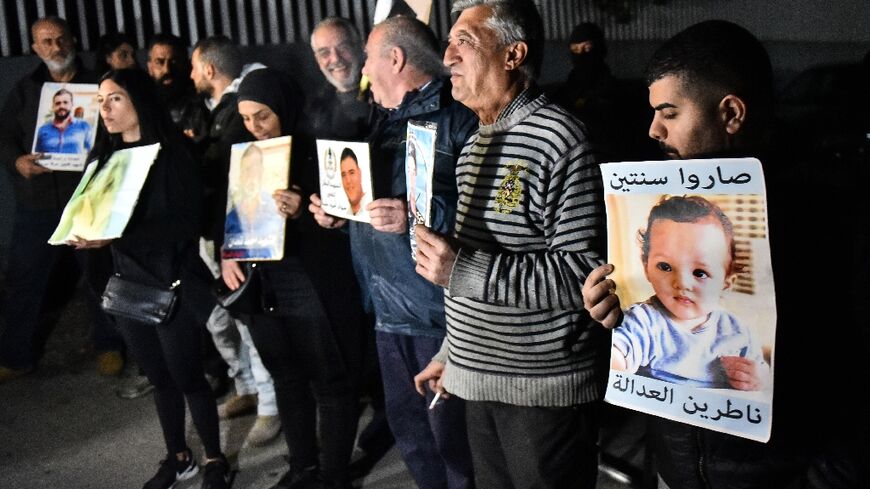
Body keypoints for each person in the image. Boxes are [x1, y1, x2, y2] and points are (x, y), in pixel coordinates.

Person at [581, 19, 864, 488]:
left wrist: (827, 479)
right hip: (675, 470)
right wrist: (612, 308)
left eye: (669, 113)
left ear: (731, 113)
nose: (653, 130)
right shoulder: (653, 208)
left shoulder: (830, 211)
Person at [412, 2, 607, 488]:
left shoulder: (560, 137)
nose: (448, 56)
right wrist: (452, 353)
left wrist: (461, 270)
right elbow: (473, 263)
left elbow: (583, 274)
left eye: (465, 42)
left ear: (513, 54)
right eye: (449, 43)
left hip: (542, 393)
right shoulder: (476, 144)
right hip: (478, 381)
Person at [310, 15, 478, 489]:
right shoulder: (379, 121)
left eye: (366, 56)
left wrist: (419, 218)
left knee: (456, 448)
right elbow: (378, 210)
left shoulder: (458, 119)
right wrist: (342, 214)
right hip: (387, 312)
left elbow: (486, 215)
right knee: (414, 442)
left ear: (395, 59)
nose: (361, 67)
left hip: (436, 319)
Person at [70, 68, 229, 489]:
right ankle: (179, 457)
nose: (105, 108)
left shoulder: (171, 155)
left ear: (138, 101)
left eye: (115, 99)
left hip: (171, 282)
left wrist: (115, 234)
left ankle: (215, 458)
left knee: (187, 376)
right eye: (101, 101)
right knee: (159, 380)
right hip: (126, 285)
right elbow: (88, 212)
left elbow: (185, 224)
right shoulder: (103, 158)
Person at [224, 67, 363, 489]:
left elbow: (345, 218)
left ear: (283, 106)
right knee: (287, 378)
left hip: (312, 283)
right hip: (266, 283)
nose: (255, 127)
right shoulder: (246, 152)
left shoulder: (319, 148)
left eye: (262, 116)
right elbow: (229, 212)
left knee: (330, 382)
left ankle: (333, 475)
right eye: (247, 119)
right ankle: (302, 467)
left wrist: (303, 210)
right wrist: (228, 249)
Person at [0, 16, 123, 382]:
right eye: (47, 42)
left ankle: (110, 346)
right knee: (24, 279)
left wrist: (100, 159)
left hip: (88, 199)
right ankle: (15, 355)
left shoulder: (98, 85)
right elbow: (4, 137)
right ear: (36, 49)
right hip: (37, 203)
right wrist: (17, 161)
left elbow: (117, 134)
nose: (56, 47)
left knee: (99, 277)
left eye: (61, 39)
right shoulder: (25, 90)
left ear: (73, 40)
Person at [306, 17, 394, 480]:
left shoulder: (386, 98)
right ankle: (384, 421)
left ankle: (390, 423)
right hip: (346, 254)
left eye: (341, 48)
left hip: (396, 248)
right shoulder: (315, 109)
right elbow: (313, 180)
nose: (334, 59)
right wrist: (319, 207)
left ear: (360, 47)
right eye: (323, 53)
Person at [611, 195, 768, 390]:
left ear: (726, 283)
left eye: (700, 273)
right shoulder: (643, 323)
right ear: (646, 268)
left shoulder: (738, 332)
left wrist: (757, 379)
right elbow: (615, 357)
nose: (682, 283)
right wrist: (615, 363)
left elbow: (761, 381)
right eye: (665, 266)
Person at [224, 143, 286, 254]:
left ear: (261, 172)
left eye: (255, 169)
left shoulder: (277, 206)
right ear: (241, 176)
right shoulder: (231, 218)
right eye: (246, 170)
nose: (250, 175)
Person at [33, 88, 93, 154]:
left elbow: (91, 152)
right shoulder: (43, 130)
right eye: (58, 103)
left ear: (72, 104)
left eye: (65, 102)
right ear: (53, 106)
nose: (61, 106)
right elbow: (36, 155)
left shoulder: (84, 126)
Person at [338, 147, 368, 216]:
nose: (348, 181)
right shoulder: (345, 214)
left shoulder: (372, 206)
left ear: (359, 173)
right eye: (343, 175)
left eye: (352, 173)